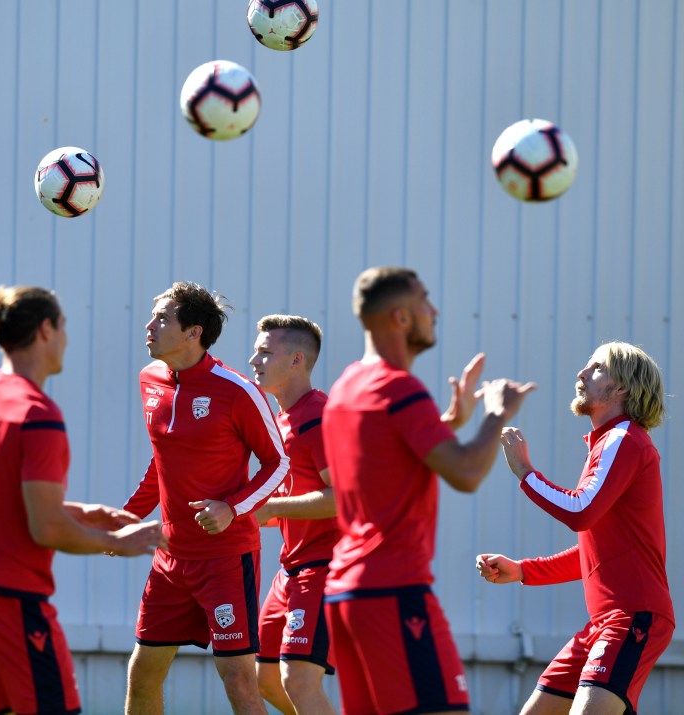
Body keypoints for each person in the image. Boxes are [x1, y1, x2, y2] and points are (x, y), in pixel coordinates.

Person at [0, 285, 166, 715]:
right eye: (63, 327)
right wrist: (121, 542)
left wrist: (84, 512)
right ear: (46, 330)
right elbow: (46, 528)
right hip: (7, 597)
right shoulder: (39, 414)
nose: (66, 338)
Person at [322, 266, 534, 715]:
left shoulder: (346, 387)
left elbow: (382, 461)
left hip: (346, 596)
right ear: (401, 317)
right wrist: (496, 413)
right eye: (425, 302)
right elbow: (466, 474)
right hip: (394, 593)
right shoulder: (400, 388)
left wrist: (446, 425)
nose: (434, 311)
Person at [476, 342, 674, 715]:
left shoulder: (622, 438)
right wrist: (523, 570)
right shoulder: (613, 443)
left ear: (623, 389)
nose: (581, 374)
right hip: (605, 623)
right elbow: (595, 553)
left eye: (596, 368)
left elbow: (580, 512)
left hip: (633, 616)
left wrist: (524, 472)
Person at [123, 281, 291, 715]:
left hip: (225, 560)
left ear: (193, 332)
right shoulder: (149, 380)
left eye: (162, 318)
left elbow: (279, 465)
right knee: (142, 675)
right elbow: (162, 464)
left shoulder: (238, 391)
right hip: (169, 559)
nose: (149, 325)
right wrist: (125, 519)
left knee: (238, 680)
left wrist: (232, 508)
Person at [248, 315, 339, 715]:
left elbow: (343, 498)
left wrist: (267, 507)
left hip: (326, 568)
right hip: (290, 571)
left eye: (266, 352)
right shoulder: (283, 419)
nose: (254, 359)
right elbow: (293, 500)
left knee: (298, 679)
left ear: (297, 360)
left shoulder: (320, 416)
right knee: (264, 680)